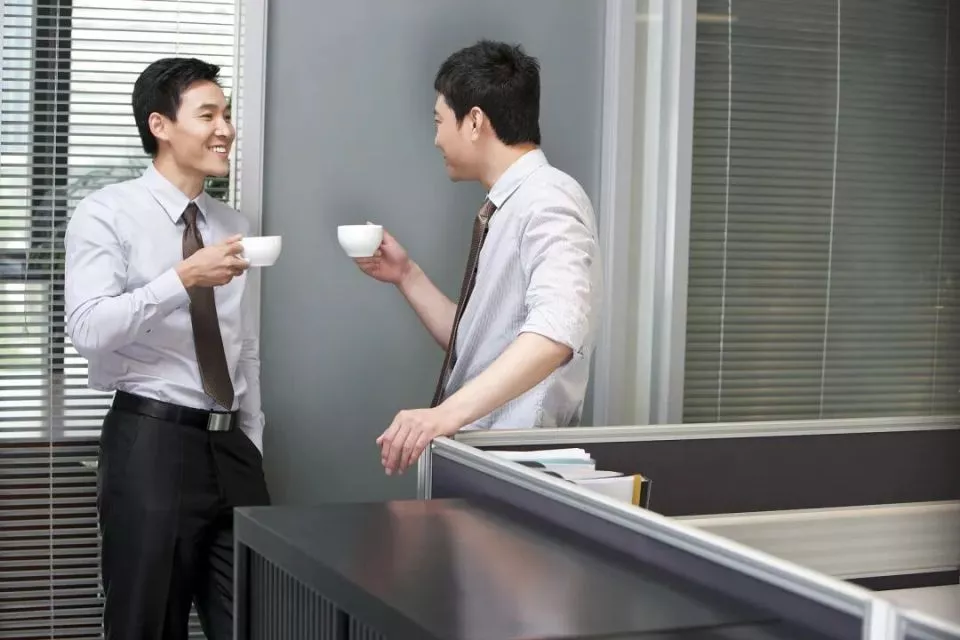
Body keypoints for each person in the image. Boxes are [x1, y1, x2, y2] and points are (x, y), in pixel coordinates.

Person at [64, 57, 269, 640]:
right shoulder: (107, 213)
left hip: (232, 450)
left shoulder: (232, 223)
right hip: (152, 443)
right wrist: (182, 278)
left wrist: (252, 441)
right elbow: (88, 328)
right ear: (160, 125)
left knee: (259, 619)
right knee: (146, 625)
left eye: (226, 114)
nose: (225, 128)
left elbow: (243, 346)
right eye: (208, 115)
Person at [355, 40, 602, 476]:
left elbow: (557, 330)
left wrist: (443, 416)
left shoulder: (548, 199)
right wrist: (406, 274)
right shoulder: (511, 205)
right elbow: (481, 343)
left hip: (520, 467)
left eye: (439, 122)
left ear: (474, 121)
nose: (436, 139)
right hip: (488, 461)